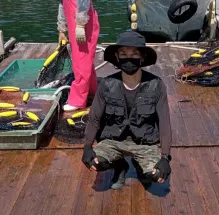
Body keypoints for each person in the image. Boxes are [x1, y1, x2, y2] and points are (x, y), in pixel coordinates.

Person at [81, 31, 172, 190]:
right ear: (117, 57)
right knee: (96, 163)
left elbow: (164, 122)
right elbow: (94, 118)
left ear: (142, 57)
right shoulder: (107, 84)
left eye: (134, 54)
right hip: (113, 140)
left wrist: (165, 157)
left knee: (157, 175)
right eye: (123, 54)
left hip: (144, 143)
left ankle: (141, 167)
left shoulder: (156, 85)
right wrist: (87, 147)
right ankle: (119, 166)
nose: (128, 59)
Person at [57, 0, 100, 111]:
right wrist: (62, 30)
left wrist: (80, 24)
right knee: (83, 61)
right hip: (74, 24)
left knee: (82, 60)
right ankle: (91, 91)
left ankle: (78, 100)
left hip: (84, 24)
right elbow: (62, 4)